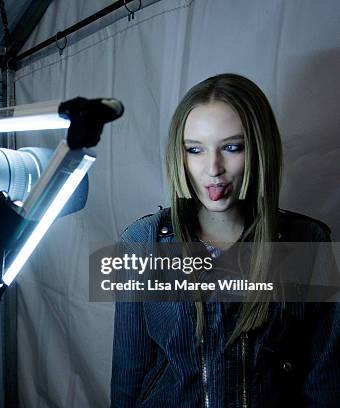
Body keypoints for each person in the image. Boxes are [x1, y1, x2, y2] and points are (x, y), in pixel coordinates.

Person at [111, 73, 340, 407]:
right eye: (195, 150)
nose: (213, 168)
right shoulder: (141, 242)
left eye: (232, 147)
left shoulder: (309, 241)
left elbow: (326, 381)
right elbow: (129, 378)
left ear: (261, 149)